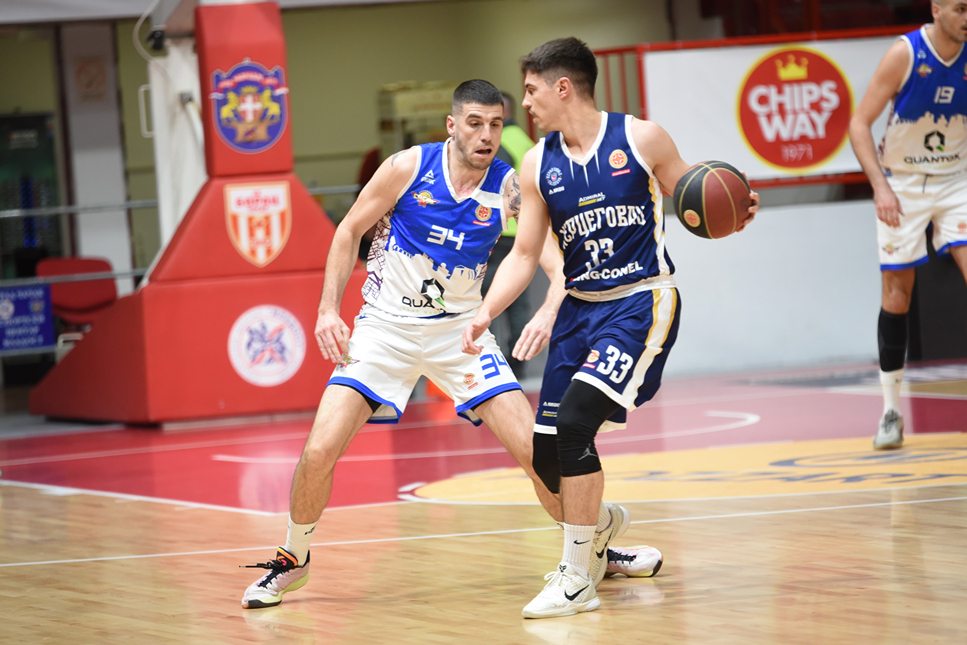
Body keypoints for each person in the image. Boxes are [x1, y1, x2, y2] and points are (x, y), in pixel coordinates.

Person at [240, 79, 651, 610]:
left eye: (495, 124)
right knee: (319, 450)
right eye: (475, 123)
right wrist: (326, 310)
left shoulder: (508, 186)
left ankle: (594, 547)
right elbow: (348, 231)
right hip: (384, 329)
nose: (486, 135)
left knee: (540, 456)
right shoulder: (407, 167)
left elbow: (553, 261)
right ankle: (292, 559)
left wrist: (551, 307)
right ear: (453, 125)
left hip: (459, 333)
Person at [463, 38, 758, 618]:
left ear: (563, 87)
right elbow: (524, 254)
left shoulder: (642, 138)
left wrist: (735, 207)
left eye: (531, 90)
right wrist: (485, 311)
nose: (526, 103)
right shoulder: (536, 164)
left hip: (639, 303)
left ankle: (577, 578)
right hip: (580, 309)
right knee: (547, 454)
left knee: (575, 423)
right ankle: (599, 528)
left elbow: (695, 195)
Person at [849, 1, 967, 450]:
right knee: (897, 296)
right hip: (903, 184)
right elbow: (859, 124)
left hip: (956, 181)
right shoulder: (906, 53)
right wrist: (880, 186)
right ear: (936, 9)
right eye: (960, 8)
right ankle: (890, 411)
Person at [484, 91, 537, 378]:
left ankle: (491, 361)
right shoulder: (528, 143)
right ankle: (519, 362)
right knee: (518, 299)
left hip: (500, 231)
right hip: (526, 230)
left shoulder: (498, 144)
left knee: (488, 298)